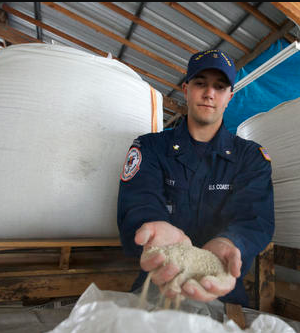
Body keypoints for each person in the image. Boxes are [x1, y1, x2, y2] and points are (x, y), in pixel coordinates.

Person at [117, 49, 274, 307]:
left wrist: (230, 241)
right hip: (159, 280)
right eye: (200, 83)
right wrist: (153, 227)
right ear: (186, 88)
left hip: (221, 289)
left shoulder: (251, 158)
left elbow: (255, 217)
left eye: (219, 87)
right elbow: (139, 199)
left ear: (229, 97)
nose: (209, 93)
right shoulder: (150, 147)